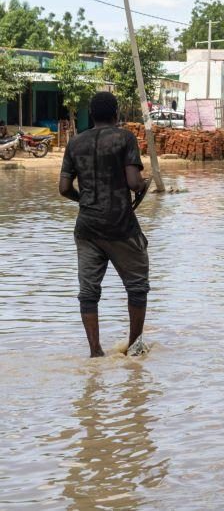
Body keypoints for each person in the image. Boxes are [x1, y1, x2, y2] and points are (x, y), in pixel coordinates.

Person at [58, 92, 150, 358]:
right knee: (137, 287)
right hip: (120, 226)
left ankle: (95, 352)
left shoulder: (75, 143)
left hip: (87, 229)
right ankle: (134, 347)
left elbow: (64, 188)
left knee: (88, 293)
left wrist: (84, 200)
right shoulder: (125, 138)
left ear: (91, 113)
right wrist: (142, 185)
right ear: (116, 114)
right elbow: (134, 182)